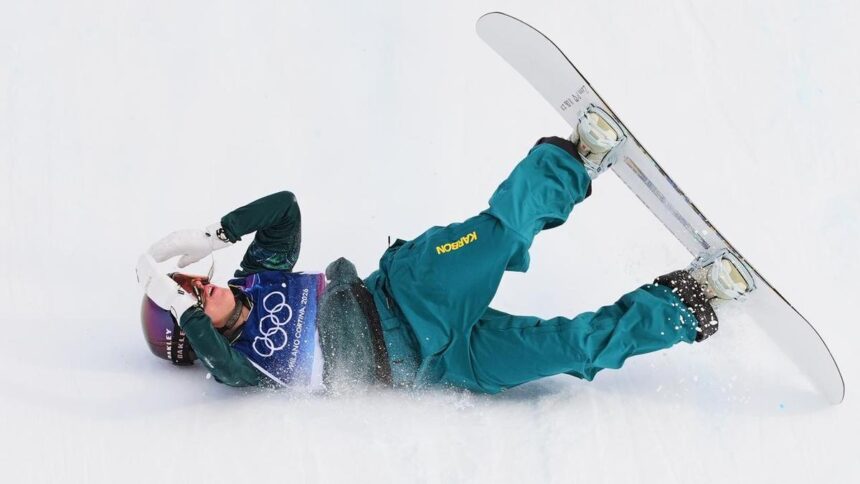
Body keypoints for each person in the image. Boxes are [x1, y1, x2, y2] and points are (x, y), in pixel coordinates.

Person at [135, 118, 754, 394]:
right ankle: (688, 302)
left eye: (192, 280)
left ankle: (573, 161)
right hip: (445, 362)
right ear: (192, 333)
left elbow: (285, 209)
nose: (201, 287)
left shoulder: (258, 276)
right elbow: (217, 358)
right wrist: (173, 302)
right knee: (573, 350)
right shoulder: (242, 367)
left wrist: (216, 233)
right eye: (190, 298)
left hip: (413, 289)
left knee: (502, 237)